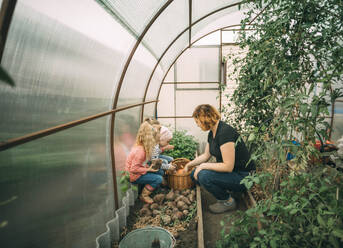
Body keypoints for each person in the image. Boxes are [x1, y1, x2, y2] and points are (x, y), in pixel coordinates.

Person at [183, 104, 255, 213]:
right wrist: (189, 164)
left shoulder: (225, 133)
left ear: (205, 119)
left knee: (203, 176)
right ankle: (222, 188)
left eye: (197, 121)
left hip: (244, 177)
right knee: (194, 174)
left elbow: (228, 166)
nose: (197, 125)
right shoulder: (212, 132)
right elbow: (206, 155)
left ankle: (228, 201)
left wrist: (202, 166)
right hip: (232, 174)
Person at [125, 121, 164, 204]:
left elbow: (140, 164)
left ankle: (151, 187)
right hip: (133, 176)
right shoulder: (140, 151)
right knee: (159, 179)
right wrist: (149, 169)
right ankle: (144, 195)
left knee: (160, 171)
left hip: (139, 171)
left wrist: (148, 166)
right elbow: (133, 169)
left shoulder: (143, 147)